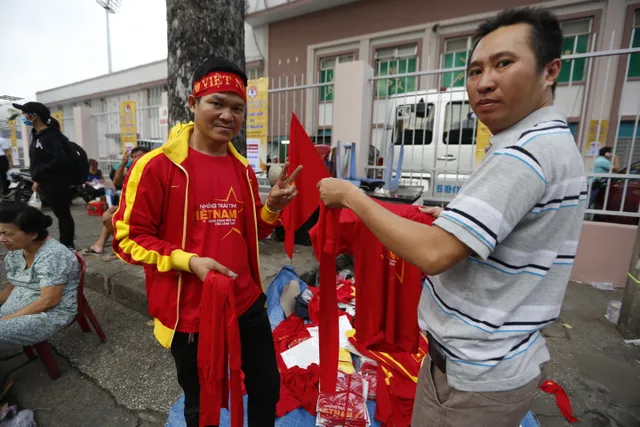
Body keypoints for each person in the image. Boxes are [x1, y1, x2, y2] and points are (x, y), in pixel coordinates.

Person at [318, 7, 586, 427]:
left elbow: (435, 254)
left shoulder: (524, 153)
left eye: (504, 63)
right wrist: (452, 216)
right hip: (486, 361)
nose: (485, 82)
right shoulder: (540, 141)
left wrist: (351, 195)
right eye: (475, 70)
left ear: (550, 71)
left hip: (475, 380)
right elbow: (507, 225)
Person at [112, 57, 302, 427]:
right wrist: (188, 260)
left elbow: (252, 233)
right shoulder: (156, 167)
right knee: (201, 403)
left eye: (237, 108)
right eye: (216, 103)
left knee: (266, 387)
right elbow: (127, 239)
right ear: (192, 103)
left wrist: (272, 210)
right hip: (191, 313)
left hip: (246, 301)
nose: (227, 116)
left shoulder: (242, 170)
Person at [0, 205, 81, 349]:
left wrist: (5, 320)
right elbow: (13, 286)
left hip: (47, 315)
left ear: (32, 234)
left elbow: (49, 301)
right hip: (18, 307)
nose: (2, 239)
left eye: (7, 234)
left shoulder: (53, 255)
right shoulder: (17, 251)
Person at [12, 101, 76, 250]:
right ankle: (43, 241)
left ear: (34, 116)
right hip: (46, 181)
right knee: (51, 212)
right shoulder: (38, 135)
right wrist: (38, 179)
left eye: (25, 113)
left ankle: (67, 245)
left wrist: (39, 173)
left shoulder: (50, 136)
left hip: (56, 183)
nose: (23, 116)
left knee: (62, 214)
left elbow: (60, 160)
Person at [83, 147, 149, 256]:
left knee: (111, 217)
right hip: (132, 207)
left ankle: (124, 247)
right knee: (109, 214)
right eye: (134, 157)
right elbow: (116, 182)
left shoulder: (151, 169)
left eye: (139, 156)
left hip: (144, 210)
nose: (136, 159)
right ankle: (101, 245)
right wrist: (123, 163)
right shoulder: (131, 169)